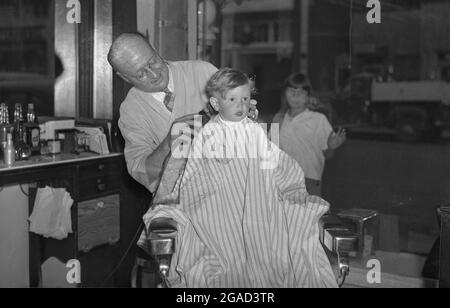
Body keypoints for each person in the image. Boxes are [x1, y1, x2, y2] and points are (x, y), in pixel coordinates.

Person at [139, 68, 338, 287]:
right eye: (233, 99)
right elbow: (192, 179)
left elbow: (277, 164)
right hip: (215, 207)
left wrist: (292, 189)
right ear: (216, 104)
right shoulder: (205, 134)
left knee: (297, 223)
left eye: (245, 98)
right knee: (222, 252)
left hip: (257, 204)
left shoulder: (256, 131)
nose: (241, 105)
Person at [273, 73, 346, 197]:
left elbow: (328, 155)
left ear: (308, 97)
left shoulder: (318, 120)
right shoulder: (278, 118)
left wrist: (331, 147)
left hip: (309, 182)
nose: (295, 96)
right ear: (285, 94)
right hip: (283, 180)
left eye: (301, 93)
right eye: (291, 91)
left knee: (309, 216)